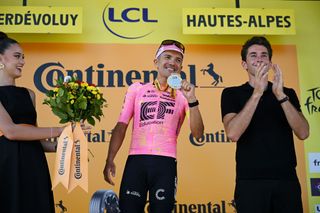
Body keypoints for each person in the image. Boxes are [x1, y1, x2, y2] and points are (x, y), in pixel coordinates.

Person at [103, 39, 204, 212]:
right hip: (136, 161)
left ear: (181, 66)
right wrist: (110, 158)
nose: (172, 62)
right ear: (156, 62)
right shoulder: (137, 89)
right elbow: (121, 126)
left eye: (178, 60)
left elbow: (198, 134)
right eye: (168, 57)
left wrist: (192, 100)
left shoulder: (183, 95)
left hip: (165, 163)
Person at [220, 36, 309, 213]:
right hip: (250, 182)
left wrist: (280, 95)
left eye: (264, 55)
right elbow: (233, 133)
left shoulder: (287, 93)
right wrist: (257, 93)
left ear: (269, 62)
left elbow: (304, 132)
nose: (259, 58)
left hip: (287, 181)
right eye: (253, 55)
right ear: (244, 64)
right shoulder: (231, 94)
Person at [0, 32, 64, 213]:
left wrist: (68, 140)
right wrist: (59, 130)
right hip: (6, 166)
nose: (22, 62)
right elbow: (10, 131)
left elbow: (36, 138)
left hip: (34, 165)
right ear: (0, 59)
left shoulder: (29, 94)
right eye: (17, 56)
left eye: (23, 57)